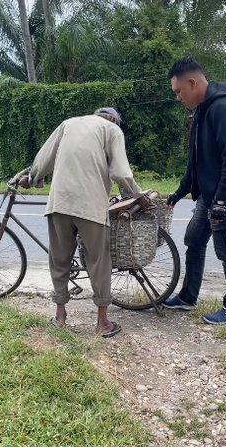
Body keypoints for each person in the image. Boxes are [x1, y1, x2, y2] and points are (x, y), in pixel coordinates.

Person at [19, 107, 143, 337]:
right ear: (115, 120)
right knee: (99, 260)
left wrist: (34, 177)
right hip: (90, 206)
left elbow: (45, 157)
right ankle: (102, 323)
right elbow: (121, 173)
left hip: (60, 202)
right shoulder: (112, 130)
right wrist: (138, 194)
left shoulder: (68, 123)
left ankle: (60, 316)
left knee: (59, 258)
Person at [162, 57, 226, 324]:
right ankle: (187, 297)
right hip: (209, 194)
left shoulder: (223, 108)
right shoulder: (202, 111)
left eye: (179, 91)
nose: (178, 97)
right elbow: (196, 161)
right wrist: (179, 192)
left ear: (192, 83)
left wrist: (223, 201)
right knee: (194, 239)